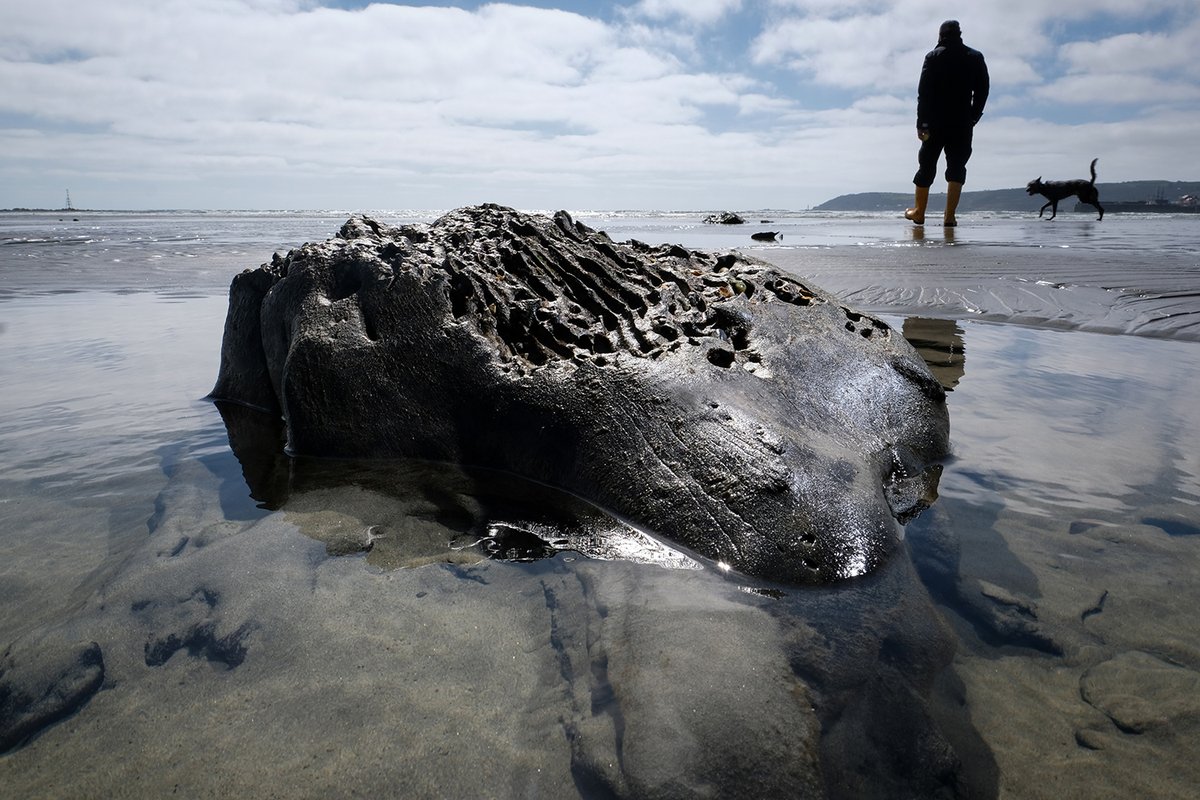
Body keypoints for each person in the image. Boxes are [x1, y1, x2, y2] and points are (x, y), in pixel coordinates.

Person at [905, 20, 989, 227]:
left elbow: (923, 93)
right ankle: (949, 216)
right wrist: (974, 116)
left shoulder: (933, 57)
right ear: (960, 34)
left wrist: (921, 124)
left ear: (940, 36)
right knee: (957, 166)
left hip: (934, 122)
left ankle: (919, 213)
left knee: (926, 165)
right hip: (962, 122)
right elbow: (982, 90)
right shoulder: (975, 57)